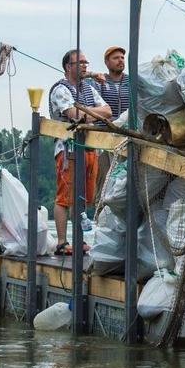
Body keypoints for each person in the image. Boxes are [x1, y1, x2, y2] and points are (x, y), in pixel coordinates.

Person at [51, 49, 111, 252]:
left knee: (84, 196)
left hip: (89, 148)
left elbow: (108, 111)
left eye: (86, 62)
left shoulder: (88, 89)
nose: (86, 66)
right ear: (69, 67)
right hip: (68, 149)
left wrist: (86, 112)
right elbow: (73, 114)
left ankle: (80, 240)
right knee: (65, 196)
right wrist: (88, 113)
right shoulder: (61, 89)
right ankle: (61, 242)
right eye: (81, 62)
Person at [94, 45, 131, 120]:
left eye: (122, 57)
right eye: (116, 58)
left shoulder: (132, 81)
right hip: (104, 129)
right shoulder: (99, 82)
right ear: (106, 62)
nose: (120, 60)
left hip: (129, 129)